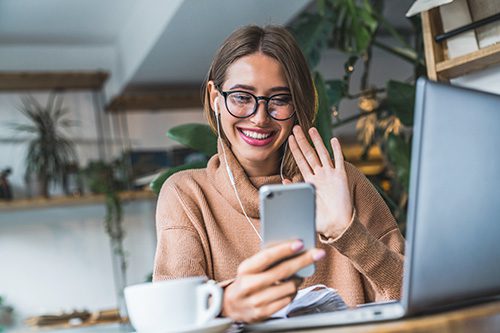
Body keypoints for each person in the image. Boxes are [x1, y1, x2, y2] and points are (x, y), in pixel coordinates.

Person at [153, 25, 405, 323]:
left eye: (280, 99)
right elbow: (172, 319)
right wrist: (225, 303)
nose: (260, 117)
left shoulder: (341, 182)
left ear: (297, 105)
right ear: (214, 98)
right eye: (242, 97)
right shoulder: (186, 194)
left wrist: (347, 233)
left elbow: (416, 299)